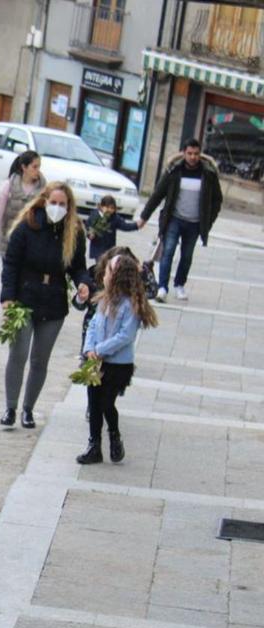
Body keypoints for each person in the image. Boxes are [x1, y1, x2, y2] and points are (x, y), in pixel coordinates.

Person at [0, 181, 93, 429]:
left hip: (53, 301)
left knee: (40, 359)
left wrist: (84, 283)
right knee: (18, 354)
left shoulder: (74, 232)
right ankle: (10, 407)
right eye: (54, 203)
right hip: (25, 298)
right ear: (44, 201)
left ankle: (28, 409)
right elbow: (11, 264)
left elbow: (78, 267)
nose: (57, 207)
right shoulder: (28, 225)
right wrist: (7, 297)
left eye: (62, 204)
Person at [77, 252, 157, 465]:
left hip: (118, 365)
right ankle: (94, 445)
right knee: (93, 402)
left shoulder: (130, 305)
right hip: (96, 360)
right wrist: (89, 349)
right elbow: (93, 324)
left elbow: (125, 336)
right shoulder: (104, 299)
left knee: (106, 403)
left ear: (118, 276)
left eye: (109, 270)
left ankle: (114, 435)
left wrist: (100, 349)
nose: (104, 274)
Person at [137, 139, 223, 302]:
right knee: (168, 251)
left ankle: (179, 285)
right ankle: (162, 287)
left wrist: (208, 221)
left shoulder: (208, 174)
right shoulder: (174, 171)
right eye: (189, 153)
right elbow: (157, 195)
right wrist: (143, 217)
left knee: (187, 255)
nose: (193, 157)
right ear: (184, 153)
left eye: (196, 154)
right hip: (174, 219)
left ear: (200, 154)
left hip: (194, 223)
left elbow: (217, 199)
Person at [0, 150, 45, 256]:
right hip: (8, 240)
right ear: (24, 167)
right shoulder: (8, 186)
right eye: (34, 167)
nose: (38, 171)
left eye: (39, 167)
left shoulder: (43, 190)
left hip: (31, 244)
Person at [86, 194, 141, 262]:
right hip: (98, 249)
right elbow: (88, 227)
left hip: (110, 249)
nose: (109, 210)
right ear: (101, 206)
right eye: (107, 207)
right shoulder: (95, 215)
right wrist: (90, 235)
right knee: (100, 266)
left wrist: (136, 225)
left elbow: (124, 225)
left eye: (112, 208)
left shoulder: (115, 218)